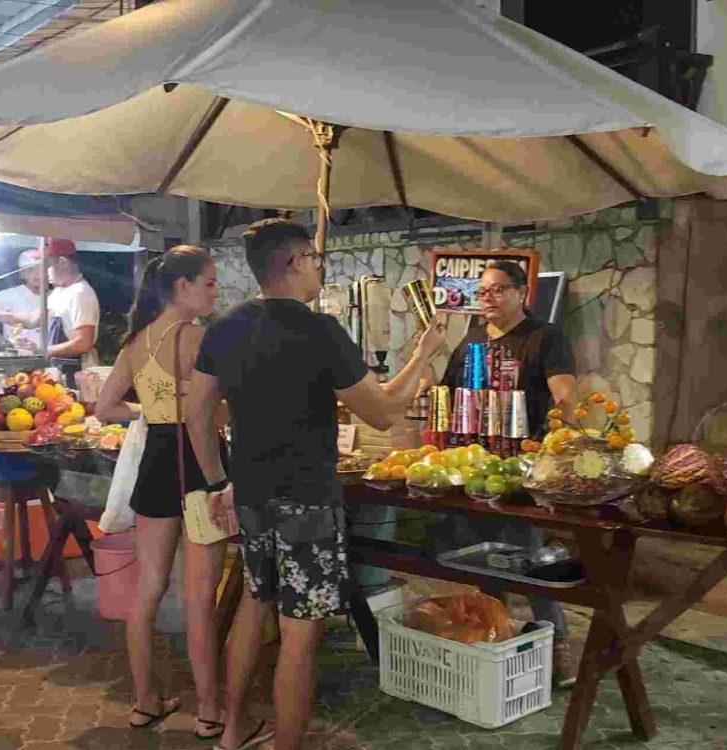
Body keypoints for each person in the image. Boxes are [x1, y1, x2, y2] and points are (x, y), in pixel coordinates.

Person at [185, 219, 446, 750]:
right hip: (307, 499)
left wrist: (218, 481)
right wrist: (423, 356)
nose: (319, 271)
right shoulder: (320, 330)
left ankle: (232, 731)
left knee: (253, 606)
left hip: (251, 493)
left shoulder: (227, 325)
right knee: (300, 633)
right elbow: (380, 413)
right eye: (316, 261)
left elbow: (197, 412)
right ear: (296, 261)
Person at [94, 245, 230, 740]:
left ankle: (144, 701)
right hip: (200, 467)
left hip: (154, 464)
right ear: (183, 288)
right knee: (199, 598)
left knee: (147, 590)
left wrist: (149, 412)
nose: (216, 291)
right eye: (210, 283)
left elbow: (104, 409)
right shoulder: (201, 339)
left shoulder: (136, 343)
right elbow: (217, 414)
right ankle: (209, 710)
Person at [438, 259, 579, 687]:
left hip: (523, 467)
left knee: (528, 560)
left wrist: (563, 431)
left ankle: (558, 649)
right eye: (483, 292)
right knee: (478, 560)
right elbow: (450, 394)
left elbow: (565, 393)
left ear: (523, 294)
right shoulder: (471, 341)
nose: (488, 299)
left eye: (498, 290)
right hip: (474, 465)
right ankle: (490, 639)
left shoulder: (544, 337)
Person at [0, 238, 99, 381]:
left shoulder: (80, 293)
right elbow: (32, 320)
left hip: (76, 376)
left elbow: (83, 343)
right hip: (56, 371)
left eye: (46, 266)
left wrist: (42, 351)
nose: (43, 273)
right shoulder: (59, 292)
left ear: (63, 263)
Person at [0, 249, 43, 348]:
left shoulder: (55, 296)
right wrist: (2, 342)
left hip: (46, 355)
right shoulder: (12, 294)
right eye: (30, 270)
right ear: (21, 274)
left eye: (40, 270)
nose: (36, 275)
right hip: (18, 355)